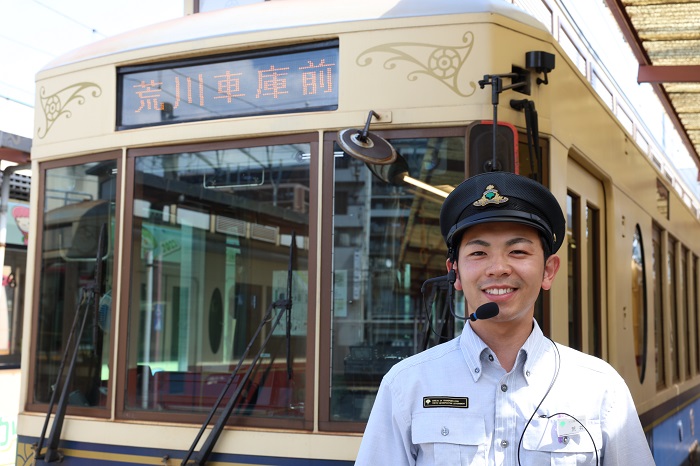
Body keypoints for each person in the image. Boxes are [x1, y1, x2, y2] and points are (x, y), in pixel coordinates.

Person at [354, 171, 655, 465]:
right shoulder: (406, 385)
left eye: (518, 251)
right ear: (455, 272)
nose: (498, 268)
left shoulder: (601, 389)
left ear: (548, 271)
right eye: (478, 253)